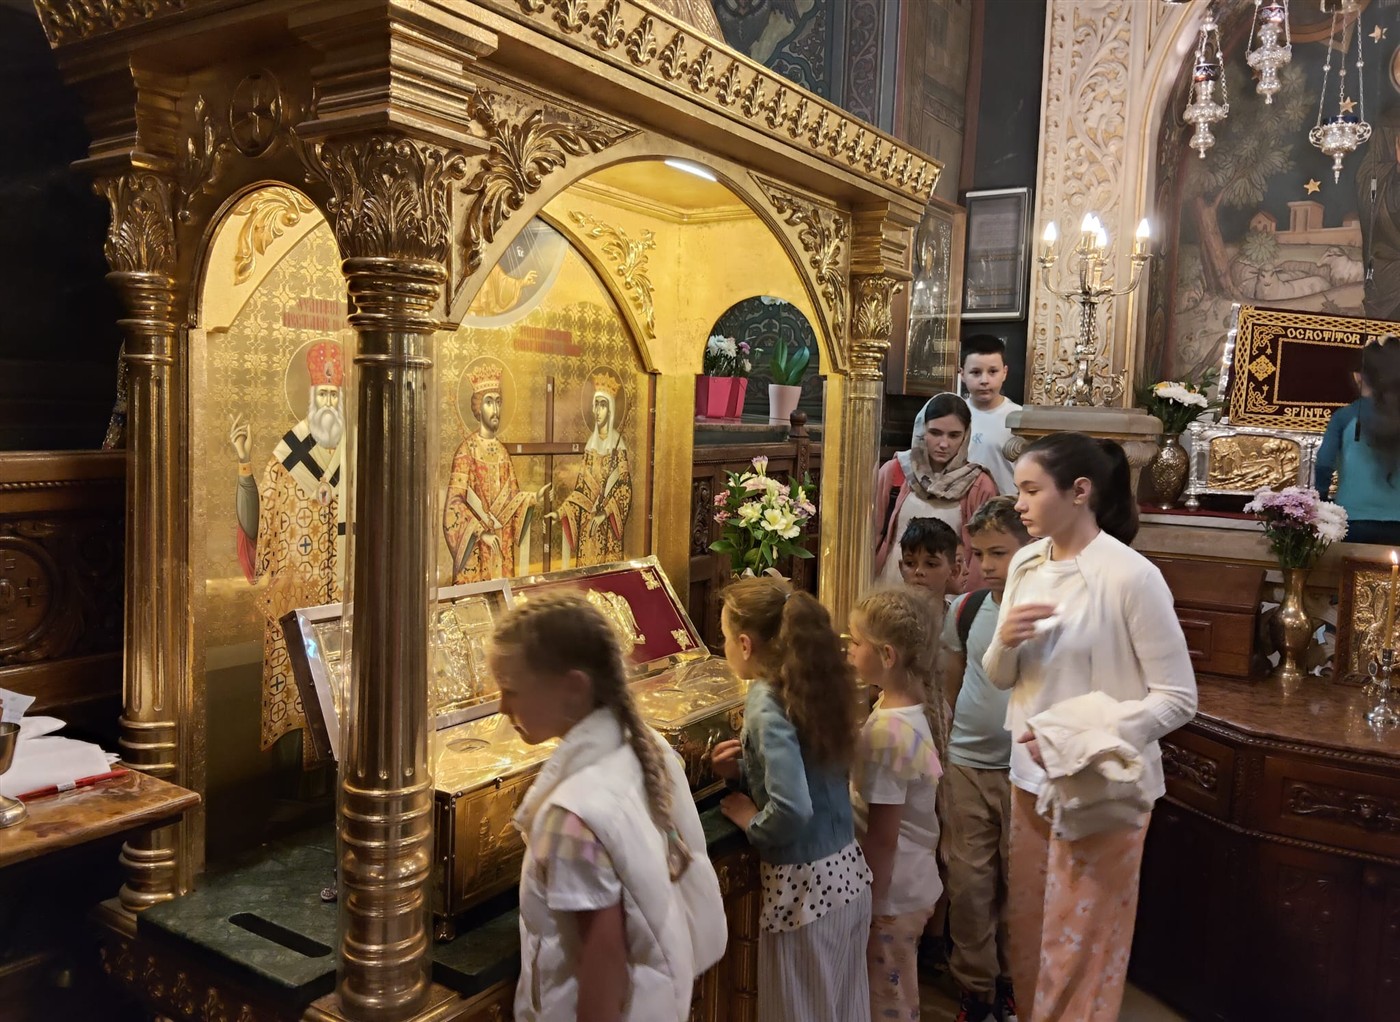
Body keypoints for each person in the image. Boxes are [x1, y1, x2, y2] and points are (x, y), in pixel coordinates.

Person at [983, 432, 1196, 1022]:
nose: (1019, 503)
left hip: (1102, 785)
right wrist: (1005, 640)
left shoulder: (1131, 576)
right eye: (1018, 489)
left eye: (1031, 490)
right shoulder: (1026, 563)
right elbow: (1000, 677)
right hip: (1029, 778)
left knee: (1081, 948)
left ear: (1079, 491)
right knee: (1030, 935)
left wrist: (1077, 740)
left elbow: (1178, 698)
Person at [491, 590, 726, 1022]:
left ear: (572, 689)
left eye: (511, 691)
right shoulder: (643, 746)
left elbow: (604, 972)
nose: (502, 706)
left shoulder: (571, 818)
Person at [708, 577, 871, 1022]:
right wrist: (743, 771)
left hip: (804, 894)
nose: (724, 647)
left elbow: (793, 807)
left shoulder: (764, 700)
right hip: (846, 875)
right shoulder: (807, 681)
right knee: (844, 1006)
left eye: (724, 637)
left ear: (745, 644)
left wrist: (751, 820)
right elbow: (810, 773)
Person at [939, 496, 1031, 1022]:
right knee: (969, 886)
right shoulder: (967, 608)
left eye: (1000, 553)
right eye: (979, 554)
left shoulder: (1045, 610)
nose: (987, 565)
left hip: (1025, 773)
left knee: (1020, 887)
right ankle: (976, 991)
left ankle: (1015, 983)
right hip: (967, 765)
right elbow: (952, 686)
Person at [229, 339, 345, 757]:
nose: (329, 402)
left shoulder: (355, 456)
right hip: (296, 599)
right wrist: (244, 465)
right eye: (322, 394)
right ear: (311, 397)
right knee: (298, 692)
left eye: (334, 394)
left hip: (345, 602)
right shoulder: (287, 458)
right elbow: (257, 527)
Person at [847, 588, 947, 1022]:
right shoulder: (914, 706)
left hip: (891, 897)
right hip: (913, 881)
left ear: (886, 655)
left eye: (855, 642)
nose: (849, 650)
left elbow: (884, 837)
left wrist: (869, 905)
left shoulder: (889, 735)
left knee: (888, 1005)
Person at [875, 393, 999, 591]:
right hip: (891, 586)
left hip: (948, 594)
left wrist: (966, 600)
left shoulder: (979, 484)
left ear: (966, 436)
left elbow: (982, 554)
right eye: (935, 433)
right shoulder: (895, 471)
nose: (943, 444)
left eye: (954, 435)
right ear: (921, 430)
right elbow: (870, 534)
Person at [444, 360, 546, 582]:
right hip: (478, 550)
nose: (496, 409)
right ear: (478, 408)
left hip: (501, 547)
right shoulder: (466, 452)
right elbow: (454, 505)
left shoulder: (502, 453)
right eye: (489, 402)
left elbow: (512, 501)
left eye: (498, 402)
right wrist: (481, 533)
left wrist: (531, 499)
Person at [1316, 336, 1400, 545]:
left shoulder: (1345, 416)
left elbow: (1324, 463)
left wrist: (1321, 500)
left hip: (1352, 519)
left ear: (1359, 376)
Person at [557, 369, 633, 566]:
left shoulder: (618, 445)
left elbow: (624, 489)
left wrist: (604, 513)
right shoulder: (590, 445)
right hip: (586, 525)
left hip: (607, 528)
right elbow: (581, 488)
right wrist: (563, 510)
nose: (598, 410)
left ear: (611, 409)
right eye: (596, 404)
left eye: (603, 405)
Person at [961, 335, 1022, 495]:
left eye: (993, 371)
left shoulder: (1019, 418)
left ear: (1005, 372)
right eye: (975, 372)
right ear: (962, 374)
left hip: (1006, 504)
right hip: (961, 503)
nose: (984, 380)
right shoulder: (955, 415)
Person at [897, 516, 963, 601]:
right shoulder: (887, 609)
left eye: (931, 564)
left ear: (954, 572)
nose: (919, 571)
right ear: (901, 568)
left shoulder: (960, 609)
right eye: (910, 563)